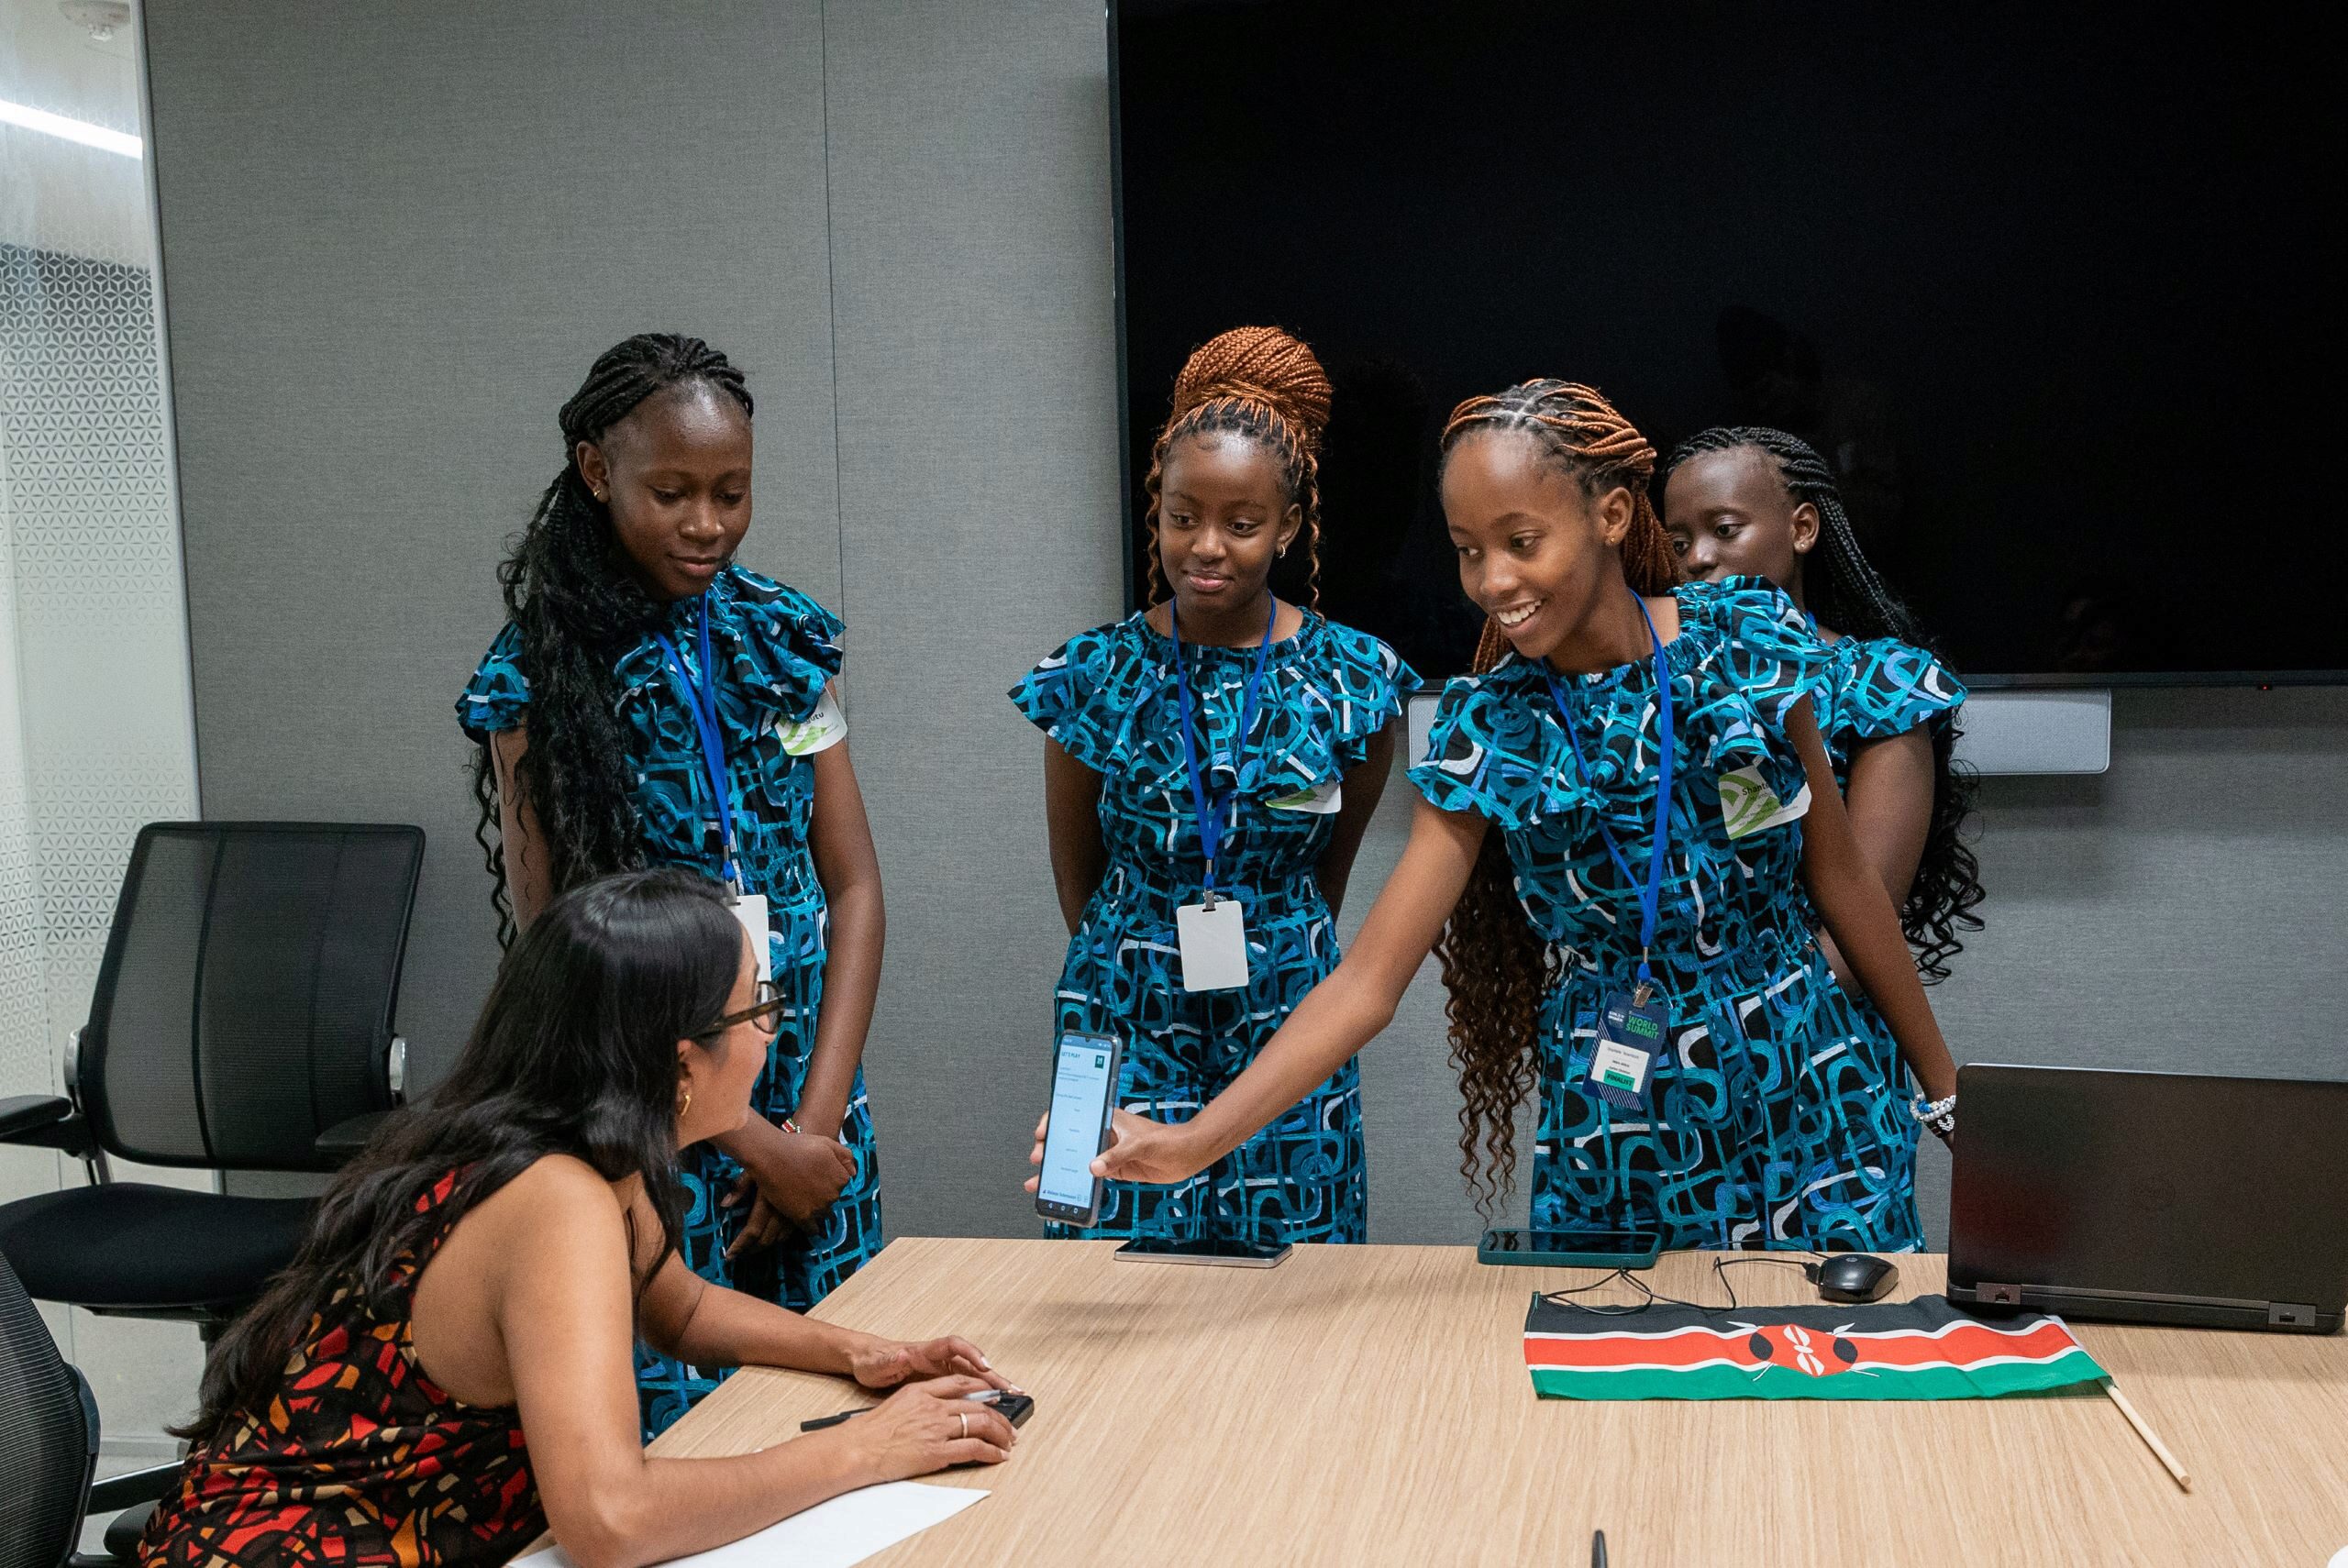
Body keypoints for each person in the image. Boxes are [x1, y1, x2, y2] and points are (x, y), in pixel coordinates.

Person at [1040, 380, 1960, 1251]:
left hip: (1807, 1094)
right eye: (1469, 549)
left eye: (1522, 541)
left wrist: (1948, 1093)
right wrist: (1193, 1142)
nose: (1491, 581)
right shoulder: (1493, 732)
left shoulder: (1745, 645)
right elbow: (1365, 984)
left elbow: (1841, 881)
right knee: (1615, 1399)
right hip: (1620, 1130)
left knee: (1844, 1386)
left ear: (1607, 515)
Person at [141, 870, 1015, 1568]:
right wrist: (862, 1451)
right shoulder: (554, 1200)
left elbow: (680, 1308)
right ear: (680, 1063)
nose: (771, 1037)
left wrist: (862, 1353)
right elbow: (609, 1521)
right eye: (760, 1009)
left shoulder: (584, 1145)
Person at [458, 334, 883, 1432]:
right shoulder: (538, 674)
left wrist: (814, 1133)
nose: (707, 523)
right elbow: (557, 955)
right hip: (650, 1118)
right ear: (598, 473)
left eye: (731, 493)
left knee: (839, 1410)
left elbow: (855, 887)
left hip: (811, 1116)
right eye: (673, 492)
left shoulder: (785, 640)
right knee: (687, 1446)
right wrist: (747, 1138)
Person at [1009, 326, 1417, 1247]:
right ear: (1154, 510)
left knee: (1294, 1281)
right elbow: (1079, 876)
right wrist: (1143, 956)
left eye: (1241, 523)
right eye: (1182, 515)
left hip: (1287, 1012)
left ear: (1288, 525)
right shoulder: (1090, 675)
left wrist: (1266, 940)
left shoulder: (1355, 681)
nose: (1207, 546)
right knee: (1110, 1272)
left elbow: (1329, 874)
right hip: (1121, 1005)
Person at [1660, 425, 1983, 982]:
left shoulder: (1879, 683)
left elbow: (1863, 933)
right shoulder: (1651, 686)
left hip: (1808, 1034)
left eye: (1725, 529)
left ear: (1802, 528)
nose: (1698, 558)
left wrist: (1747, 1020)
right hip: (1664, 1022)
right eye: (1679, 542)